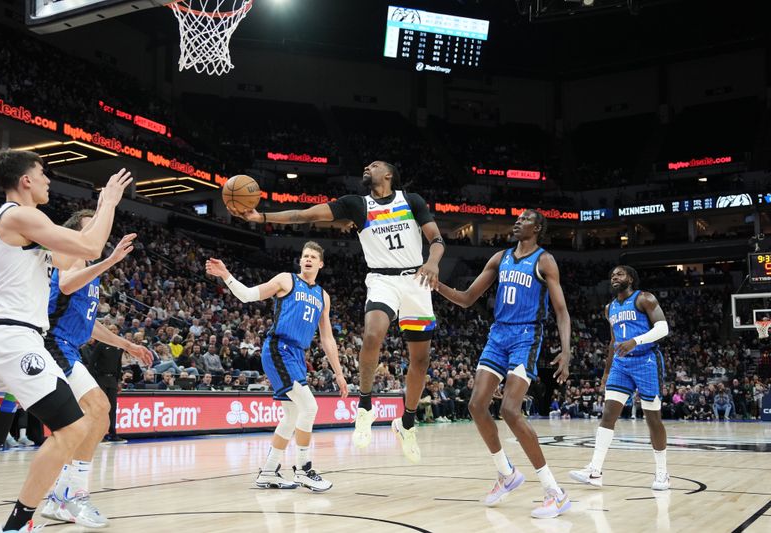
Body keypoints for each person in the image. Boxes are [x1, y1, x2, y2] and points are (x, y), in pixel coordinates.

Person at [234, 161, 443, 463]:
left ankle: (406, 423)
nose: (366, 167)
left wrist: (433, 262)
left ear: (388, 174)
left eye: (374, 165)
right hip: (382, 278)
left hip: (417, 279)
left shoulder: (411, 201)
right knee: (372, 335)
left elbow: (436, 240)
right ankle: (365, 406)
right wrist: (262, 215)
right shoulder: (356, 205)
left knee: (420, 361)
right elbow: (305, 214)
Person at [0, 148, 130, 533]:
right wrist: (107, 202)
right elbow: (90, 247)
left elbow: (76, 257)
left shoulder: (25, 228)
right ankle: (18, 525)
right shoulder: (20, 215)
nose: (47, 181)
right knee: (74, 427)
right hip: (15, 341)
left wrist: (99, 239)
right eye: (43, 174)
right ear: (25, 180)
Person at [436, 209, 572, 519]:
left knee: (510, 410)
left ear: (537, 227)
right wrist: (438, 286)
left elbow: (561, 311)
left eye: (524, 219)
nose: (517, 222)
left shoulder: (544, 261)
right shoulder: (501, 257)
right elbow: (469, 298)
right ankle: (506, 473)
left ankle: (555, 492)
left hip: (526, 336)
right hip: (498, 336)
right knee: (475, 405)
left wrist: (566, 352)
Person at [40, 209, 153, 528]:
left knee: (94, 419)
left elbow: (88, 324)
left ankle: (63, 497)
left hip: (68, 346)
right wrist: (111, 260)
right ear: (77, 232)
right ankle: (69, 496)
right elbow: (63, 286)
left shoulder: (90, 269)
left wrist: (127, 345)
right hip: (52, 342)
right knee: (98, 408)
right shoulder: (71, 255)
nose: (99, 233)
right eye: (92, 226)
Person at [206, 241, 348, 491]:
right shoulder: (286, 280)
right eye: (305, 255)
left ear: (321, 264)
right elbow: (248, 295)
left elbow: (327, 338)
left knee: (293, 415)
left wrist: (339, 373)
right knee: (310, 406)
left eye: (313, 257)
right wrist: (226, 275)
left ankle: (269, 471)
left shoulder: (323, 296)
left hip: (297, 355)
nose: (308, 259)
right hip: (278, 348)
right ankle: (303, 469)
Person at [570, 265, 671, 491]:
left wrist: (636, 341)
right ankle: (595, 470)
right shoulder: (610, 308)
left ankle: (663, 473)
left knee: (652, 418)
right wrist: (606, 371)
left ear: (631, 279)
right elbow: (613, 341)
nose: (615, 277)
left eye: (620, 274)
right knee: (608, 415)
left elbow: (663, 329)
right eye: (612, 275)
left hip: (645, 361)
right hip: (620, 364)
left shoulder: (644, 298)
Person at [88, 324, 128, 443]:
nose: (113, 331)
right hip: (101, 379)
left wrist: (119, 381)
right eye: (111, 329)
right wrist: (92, 380)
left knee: (112, 408)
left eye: (115, 329)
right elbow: (91, 363)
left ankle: (113, 433)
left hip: (112, 380)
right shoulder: (100, 345)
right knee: (101, 408)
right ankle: (99, 435)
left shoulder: (119, 347)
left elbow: (118, 365)